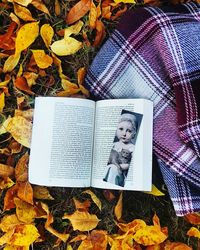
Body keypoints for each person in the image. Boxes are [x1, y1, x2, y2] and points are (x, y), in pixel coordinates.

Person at [103, 112, 137, 187]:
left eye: (129, 131)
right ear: (115, 130)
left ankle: (111, 188)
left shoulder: (133, 148)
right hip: (108, 169)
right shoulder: (113, 145)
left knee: (113, 168)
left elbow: (133, 164)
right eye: (121, 129)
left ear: (134, 134)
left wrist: (118, 166)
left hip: (121, 175)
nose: (124, 133)